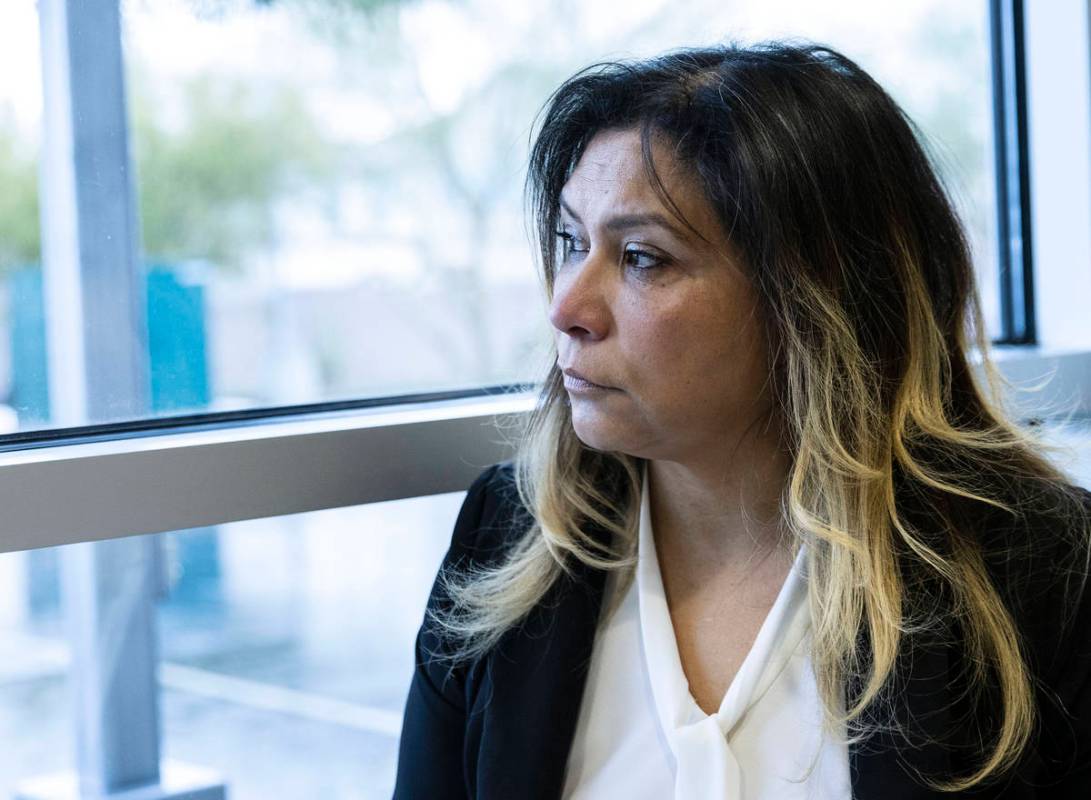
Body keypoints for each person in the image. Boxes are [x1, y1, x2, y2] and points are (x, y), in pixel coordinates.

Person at [392, 41, 1091, 799]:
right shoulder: (508, 533)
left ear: (815, 300)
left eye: (640, 257)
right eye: (570, 241)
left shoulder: (1041, 568)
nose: (566, 307)